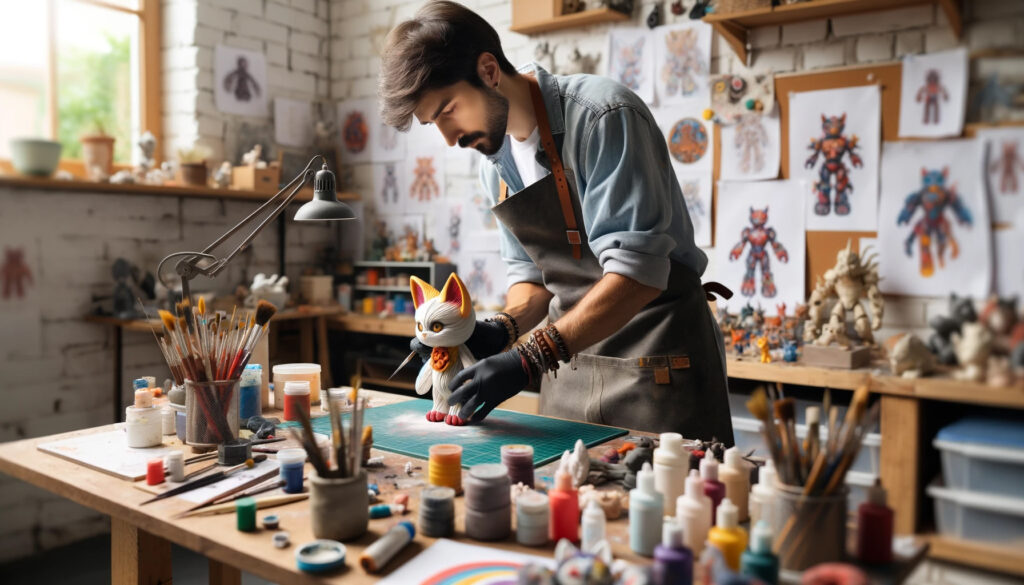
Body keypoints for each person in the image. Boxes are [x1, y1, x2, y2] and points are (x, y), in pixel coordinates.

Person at [378, 1, 733, 443]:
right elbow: (534, 281)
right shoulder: (496, 164)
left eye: (448, 110)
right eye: (435, 123)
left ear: (489, 70)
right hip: (569, 371)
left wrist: (530, 356)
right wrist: (495, 330)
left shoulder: (604, 116)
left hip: (656, 369)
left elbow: (638, 275)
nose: (450, 139)